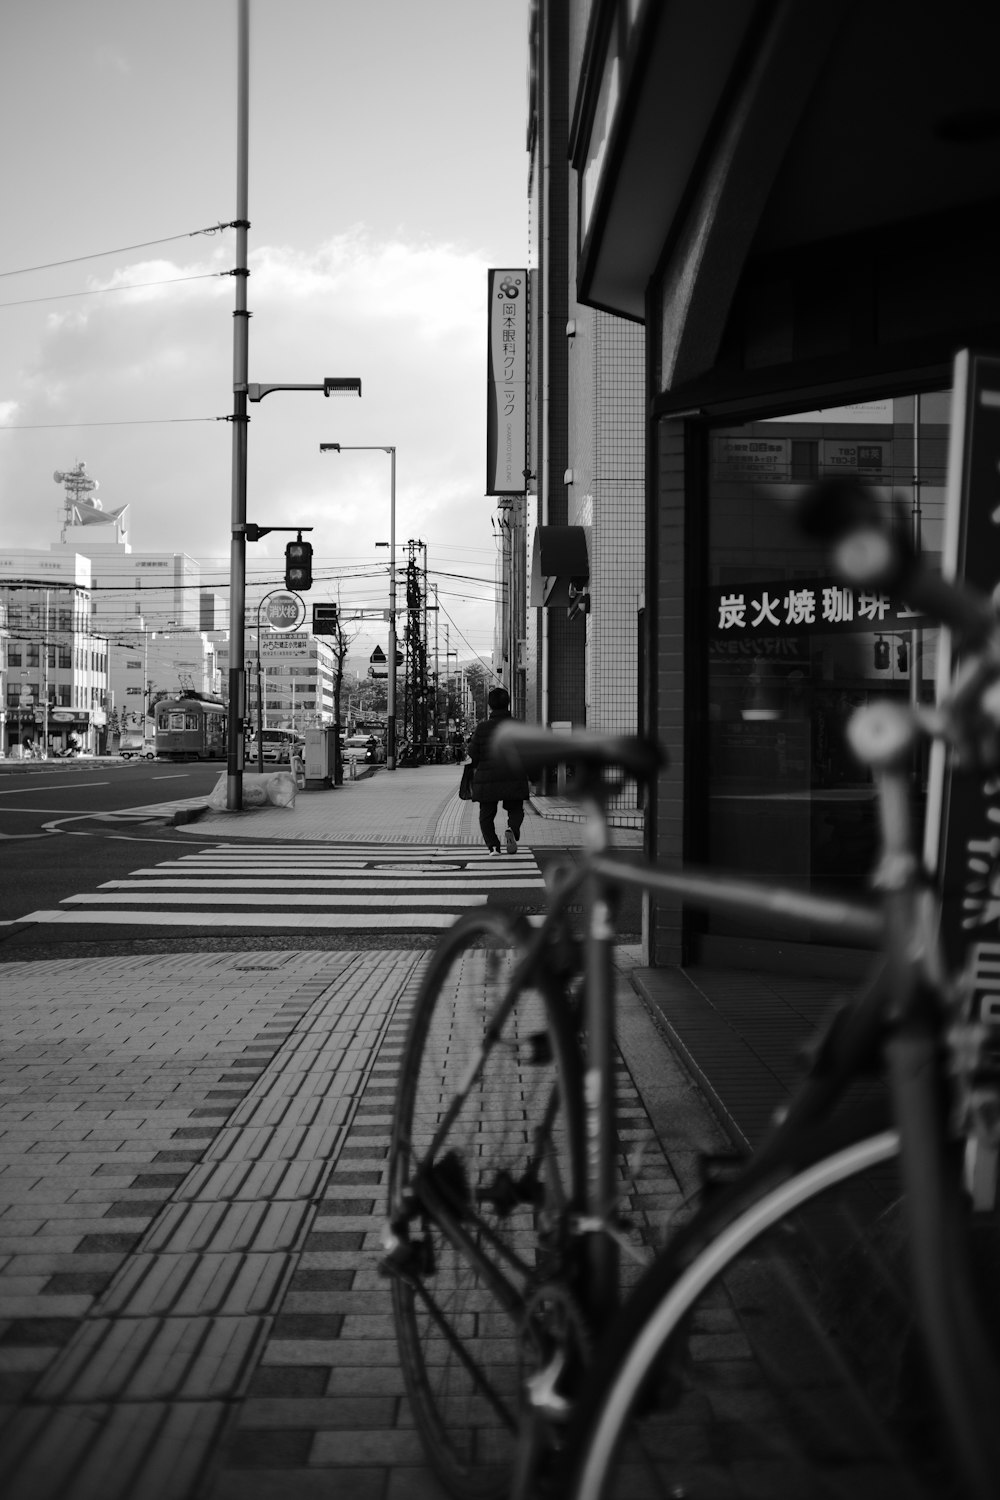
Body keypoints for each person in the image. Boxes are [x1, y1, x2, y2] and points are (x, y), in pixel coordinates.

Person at [467, 686, 529, 855]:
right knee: (516, 809)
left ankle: (493, 846)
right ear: (508, 704)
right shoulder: (518, 726)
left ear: (490, 705)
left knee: (486, 814)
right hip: (513, 775)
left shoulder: (482, 728)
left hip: (488, 777)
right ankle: (512, 829)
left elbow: (473, 753)